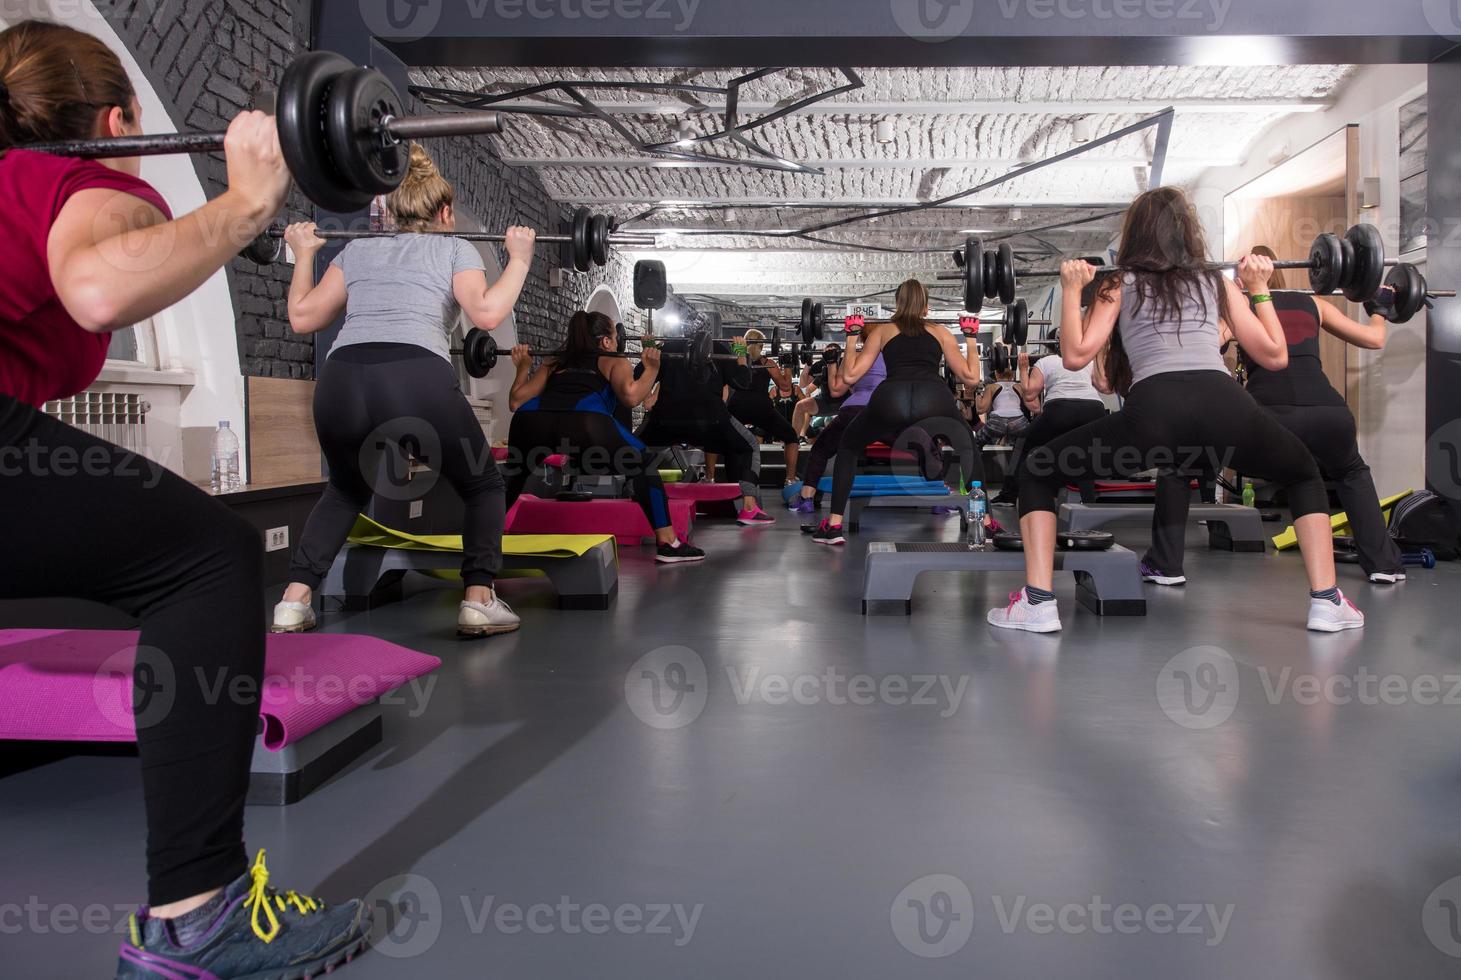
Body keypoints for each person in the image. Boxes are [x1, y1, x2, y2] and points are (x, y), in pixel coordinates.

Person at [0, 20, 369, 978]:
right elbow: (92, 290)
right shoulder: (79, 181)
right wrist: (247, 202)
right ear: (119, 123)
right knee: (207, 557)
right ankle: (200, 914)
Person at [991, 186, 1363, 633]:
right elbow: (1275, 354)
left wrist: (1073, 290)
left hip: (1154, 415)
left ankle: (1038, 602)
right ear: (1189, 232)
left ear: (1134, 235)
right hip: (1225, 406)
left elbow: (1074, 355)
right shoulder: (1218, 282)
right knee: (1303, 472)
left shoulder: (1117, 283)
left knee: (1037, 470)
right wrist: (1260, 289)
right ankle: (1326, 601)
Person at [274, 144, 534, 638]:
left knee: (346, 487)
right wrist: (518, 259)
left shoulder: (357, 249)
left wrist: (305, 254)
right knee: (482, 484)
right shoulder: (456, 247)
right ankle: (479, 599)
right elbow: (485, 314)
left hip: (342, 379)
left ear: (388, 212)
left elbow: (303, 317)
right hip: (414, 375)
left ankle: (293, 599)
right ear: (445, 211)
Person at [1140, 243, 1406, 585]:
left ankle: (1165, 565)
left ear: (1247, 278)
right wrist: (1380, 307)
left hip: (1269, 418)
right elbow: (1374, 339)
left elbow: (1205, 346)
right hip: (1330, 414)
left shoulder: (1243, 309)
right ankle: (1384, 564)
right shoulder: (1315, 304)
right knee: (1352, 472)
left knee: (1179, 466)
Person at [504, 310, 705, 563]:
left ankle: (483, 536)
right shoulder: (611, 358)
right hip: (585, 422)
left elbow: (515, 401)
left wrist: (522, 368)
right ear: (607, 341)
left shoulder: (554, 361)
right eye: (614, 334)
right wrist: (653, 369)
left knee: (513, 477)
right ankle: (668, 542)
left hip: (531, 421)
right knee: (643, 464)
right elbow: (631, 397)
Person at [811, 280, 984, 545]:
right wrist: (971, 339)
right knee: (968, 446)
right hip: (933, 398)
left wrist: (852, 335)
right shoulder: (940, 332)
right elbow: (971, 378)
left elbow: (849, 374)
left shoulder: (883, 330)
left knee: (847, 447)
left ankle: (834, 526)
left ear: (897, 304)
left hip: (891, 398)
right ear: (926, 307)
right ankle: (986, 523)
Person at [636, 331, 774, 524]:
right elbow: (742, 382)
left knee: (629, 449)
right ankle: (749, 508)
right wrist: (741, 353)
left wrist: (648, 352)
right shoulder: (719, 349)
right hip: (711, 423)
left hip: (666, 421)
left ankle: (630, 499)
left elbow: (638, 377)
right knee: (748, 446)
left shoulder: (668, 347)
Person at [787, 316, 889, 516]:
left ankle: (806, 499)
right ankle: (940, 495)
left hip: (854, 411)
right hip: (883, 411)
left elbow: (836, 390)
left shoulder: (854, 357)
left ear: (861, 334)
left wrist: (832, 361)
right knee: (920, 444)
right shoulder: (893, 357)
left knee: (821, 450)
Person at [996, 343, 1110, 506]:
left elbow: (1029, 394)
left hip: (1060, 409)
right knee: (1087, 452)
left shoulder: (1045, 361)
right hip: (1093, 409)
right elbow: (1104, 387)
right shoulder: (1088, 360)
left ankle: (1008, 495)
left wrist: (1022, 368)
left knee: (1022, 443)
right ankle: (1089, 502)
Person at [726, 327, 802, 486]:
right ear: (761, 345)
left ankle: (712, 477)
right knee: (791, 437)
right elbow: (786, 387)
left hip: (737, 405)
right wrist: (787, 366)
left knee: (722, 436)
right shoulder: (768, 363)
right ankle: (790, 479)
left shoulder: (734, 360)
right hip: (761, 407)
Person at [793, 343, 844, 439]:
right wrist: (808, 362)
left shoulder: (845, 364)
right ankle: (795, 439)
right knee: (801, 405)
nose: (829, 354)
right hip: (825, 402)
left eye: (831, 352)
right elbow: (804, 385)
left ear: (839, 354)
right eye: (827, 352)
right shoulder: (820, 365)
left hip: (844, 403)